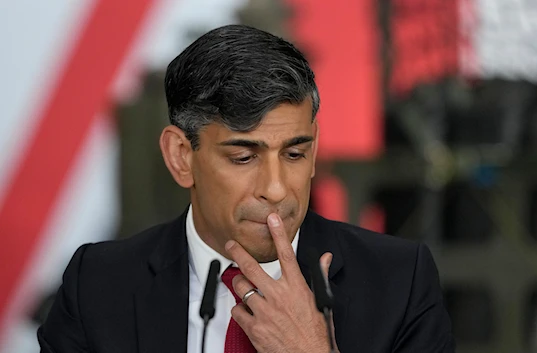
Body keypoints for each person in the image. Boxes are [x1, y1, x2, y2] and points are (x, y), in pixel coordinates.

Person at [38, 24, 454, 353]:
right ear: (181, 156)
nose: (275, 189)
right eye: (244, 157)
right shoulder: (96, 284)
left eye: (294, 154)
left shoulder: (401, 282)